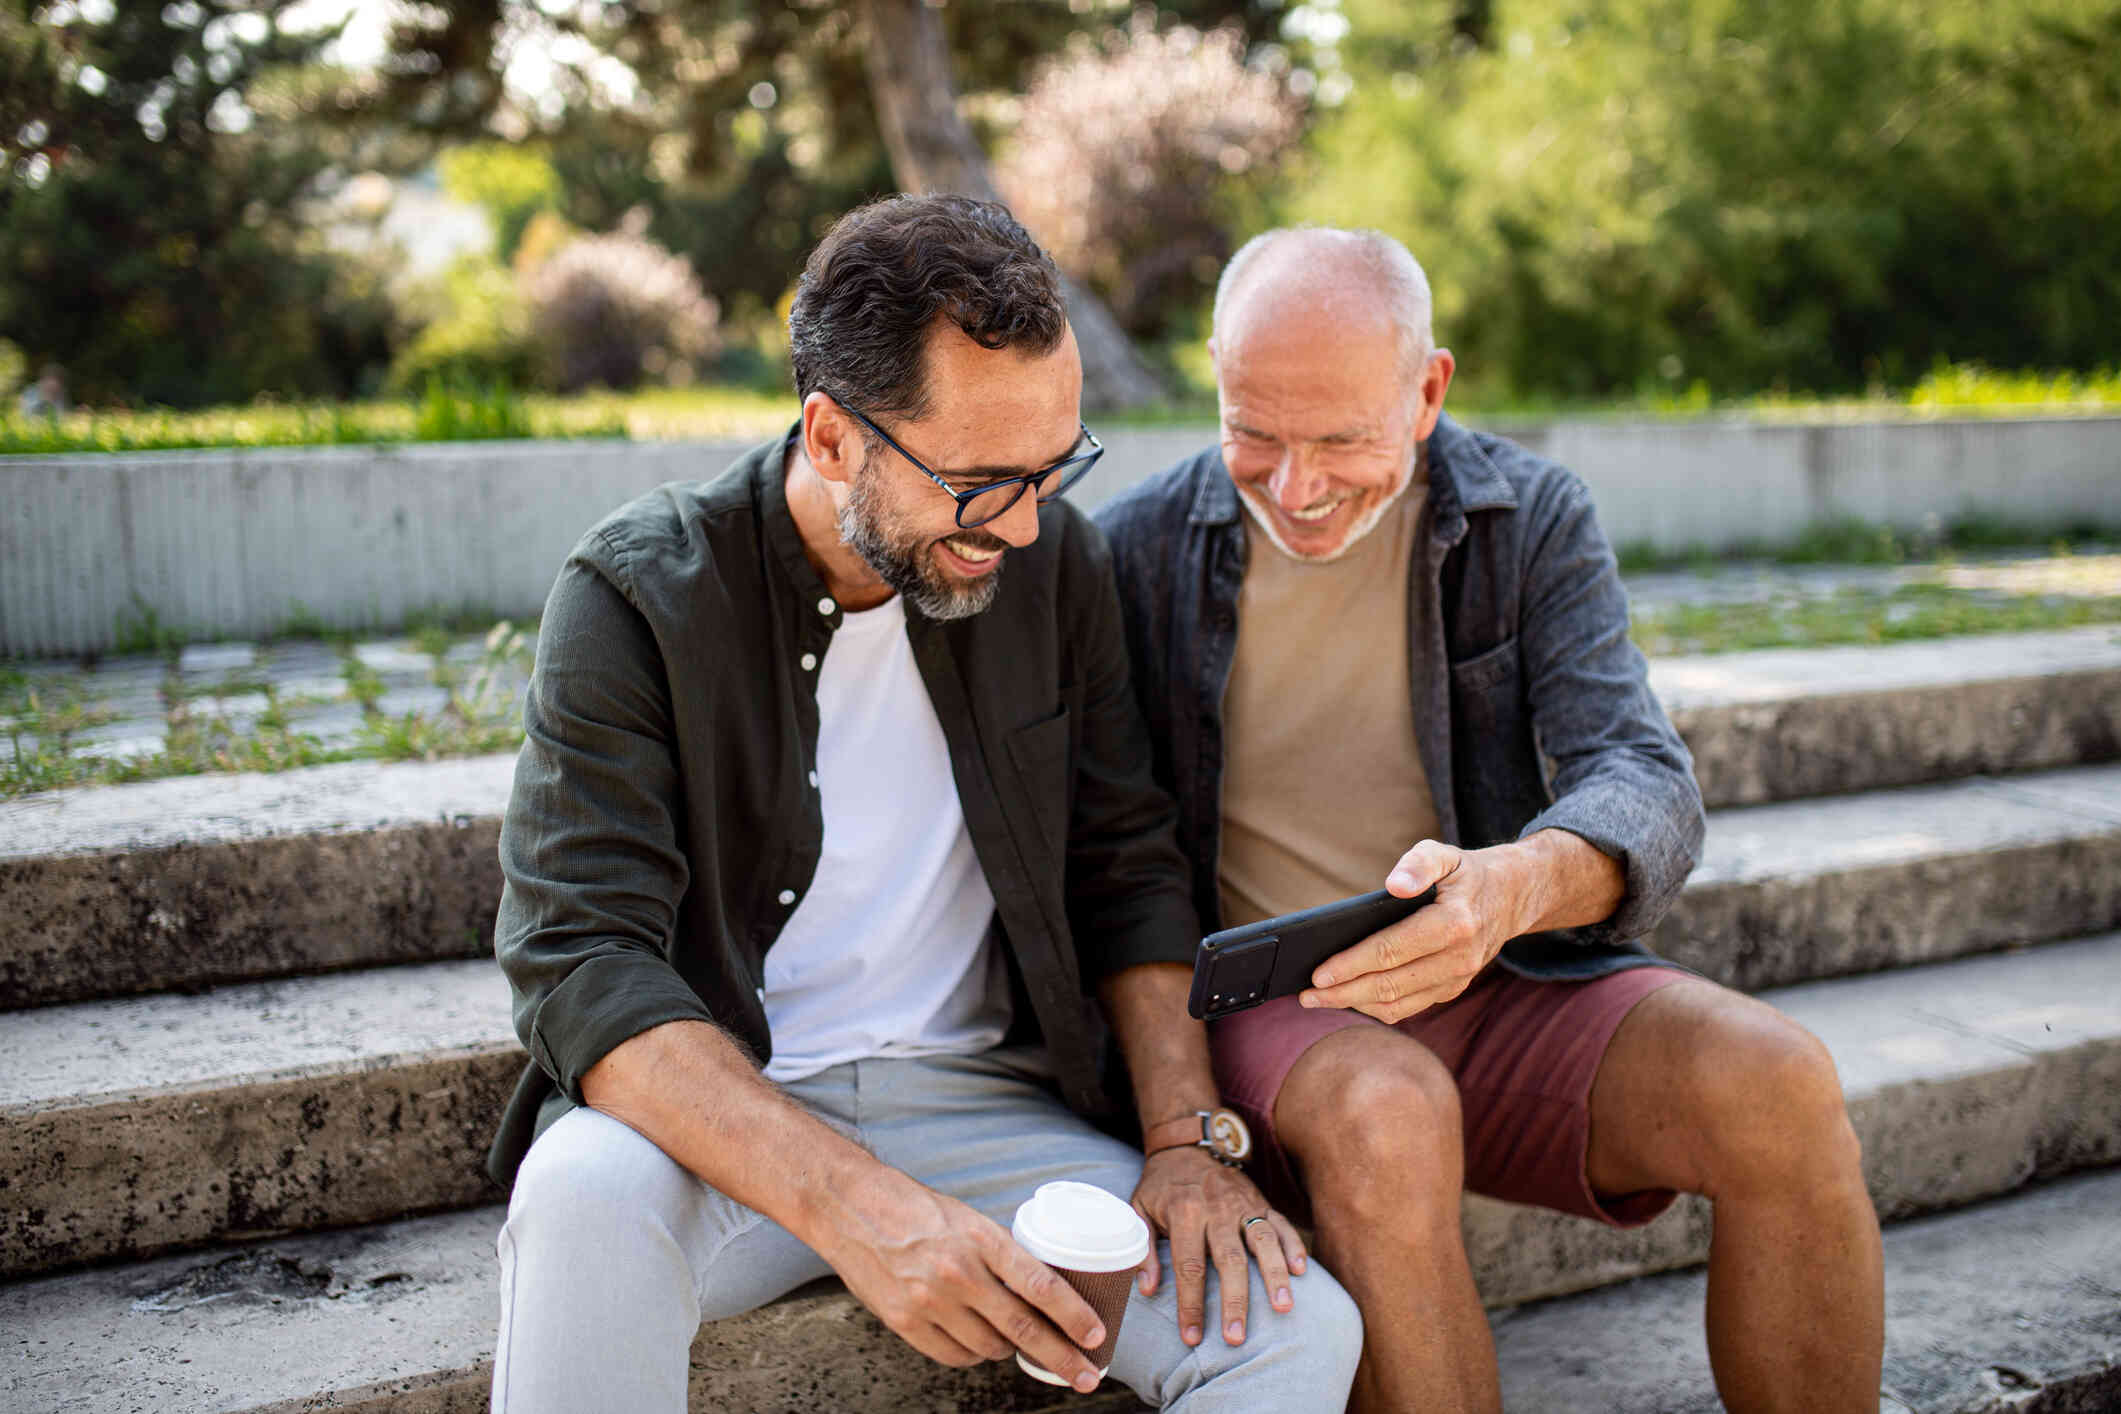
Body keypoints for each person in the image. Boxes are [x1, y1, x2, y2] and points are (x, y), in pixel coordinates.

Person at [485, 196, 1360, 1414]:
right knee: (579, 1195)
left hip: (988, 1103)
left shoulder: (1057, 566)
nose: (1024, 520)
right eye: (980, 481)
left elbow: (1128, 869)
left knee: (1297, 1330)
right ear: (832, 436)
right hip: (724, 1112)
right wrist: (857, 1204)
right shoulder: (638, 595)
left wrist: (1182, 1139)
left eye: (1053, 467)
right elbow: (583, 961)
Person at [1096, 226, 1884, 1414]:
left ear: (1428, 391)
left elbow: (1642, 773)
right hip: (1277, 1008)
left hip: (1502, 968)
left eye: (1340, 441)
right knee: (1385, 1111)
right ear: (1214, 372)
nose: (1295, 489)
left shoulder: (1530, 516)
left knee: (1778, 1081)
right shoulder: (1136, 551)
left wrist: (1512, 888)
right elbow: (1111, 861)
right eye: (1253, 432)